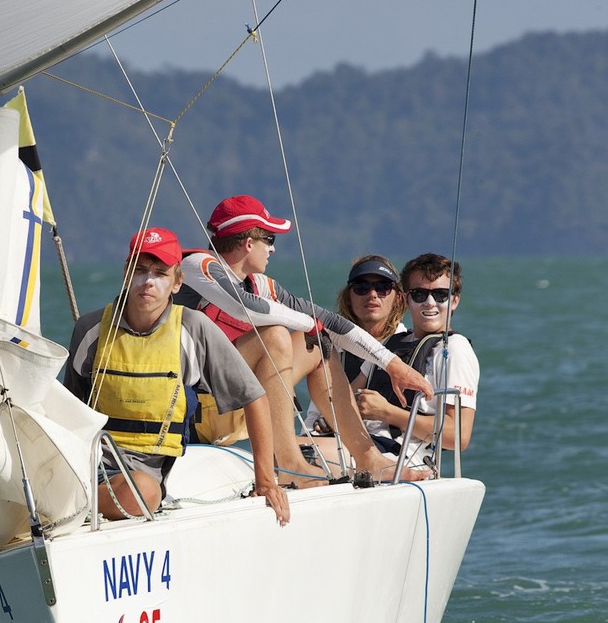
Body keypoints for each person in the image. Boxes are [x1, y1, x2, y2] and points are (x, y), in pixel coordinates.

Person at [180, 195, 432, 485]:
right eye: (269, 238)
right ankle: (289, 464)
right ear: (248, 242)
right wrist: (309, 323)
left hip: (231, 405)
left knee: (317, 343)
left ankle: (370, 460)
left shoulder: (262, 285)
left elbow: (333, 323)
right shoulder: (196, 266)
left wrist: (393, 364)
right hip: (194, 409)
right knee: (275, 336)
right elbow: (243, 307)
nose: (272, 248)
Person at [64, 227, 290, 525]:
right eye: (140, 269)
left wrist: (265, 482)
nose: (148, 281)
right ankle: (66, 499)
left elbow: (254, 397)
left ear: (177, 282)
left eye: (160, 273)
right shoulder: (90, 328)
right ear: (126, 273)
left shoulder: (193, 329)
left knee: (143, 492)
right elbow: (69, 407)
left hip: (144, 474)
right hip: (89, 462)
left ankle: (73, 505)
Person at [353, 253, 479, 466]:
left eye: (441, 295)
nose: (430, 303)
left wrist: (386, 412)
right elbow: (349, 395)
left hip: (402, 456)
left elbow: (457, 437)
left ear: (455, 300)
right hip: (359, 442)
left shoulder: (455, 349)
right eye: (420, 294)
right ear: (405, 298)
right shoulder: (391, 345)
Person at [304, 254, 406, 433]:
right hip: (333, 447)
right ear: (348, 298)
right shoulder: (330, 347)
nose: (372, 295)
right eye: (361, 287)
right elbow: (315, 418)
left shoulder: (410, 347)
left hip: (391, 450)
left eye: (383, 288)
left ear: (398, 297)